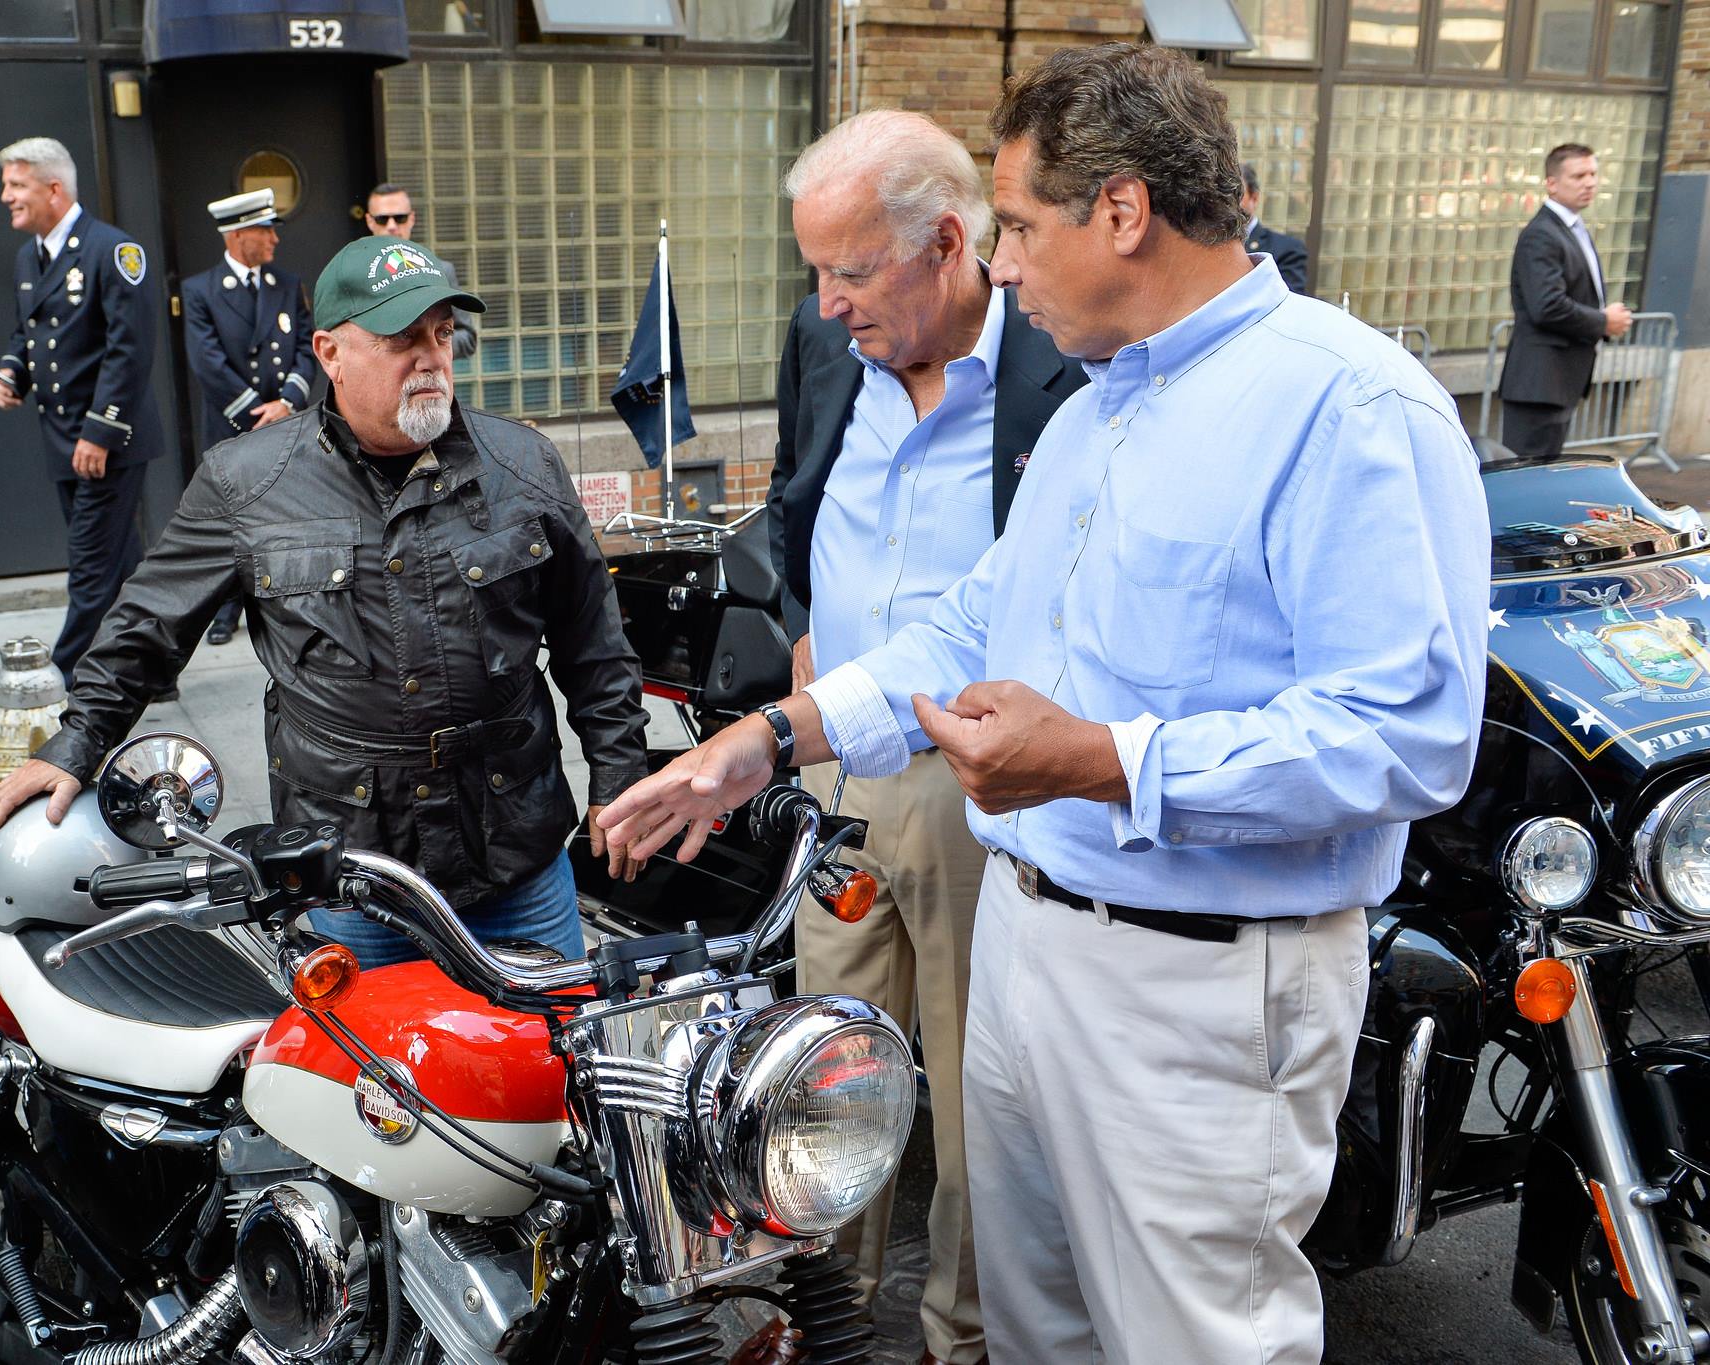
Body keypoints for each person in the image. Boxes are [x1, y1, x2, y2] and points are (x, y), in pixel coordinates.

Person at [599, 44, 1489, 1364]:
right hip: (1031, 943)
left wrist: (1099, 760)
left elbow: (1407, 733)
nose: (999, 266)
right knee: (1038, 1332)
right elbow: (975, 622)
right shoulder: (1100, 406)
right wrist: (771, 739)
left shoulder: (1345, 406)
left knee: (1195, 1340)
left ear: (1122, 212)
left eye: (1015, 225)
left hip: (1194, 983)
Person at [0, 235, 647, 965]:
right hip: (349, 876)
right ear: (328, 352)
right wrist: (78, 742)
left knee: (543, 1066)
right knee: (363, 1079)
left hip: (516, 865)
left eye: (443, 333)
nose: (430, 357)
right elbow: (146, 627)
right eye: (400, 337)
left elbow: (594, 643)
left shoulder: (524, 464)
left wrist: (619, 776)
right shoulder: (248, 481)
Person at [756, 108, 1083, 1365]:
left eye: (848, 270)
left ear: (946, 242)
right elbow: (796, 497)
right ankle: (817, 1322)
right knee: (823, 1067)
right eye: (815, 274)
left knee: (970, 1088)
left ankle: (963, 1336)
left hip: (973, 781)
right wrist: (799, 628)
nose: (827, 303)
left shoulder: (1059, 374)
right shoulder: (825, 340)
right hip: (841, 765)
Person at [0, 136, 164, 686]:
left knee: (90, 569)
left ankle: (55, 685)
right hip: (62, 437)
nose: (5, 196)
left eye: (17, 185)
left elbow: (129, 349)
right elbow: (31, 331)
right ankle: (153, 669)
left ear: (54, 189)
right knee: (121, 565)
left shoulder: (112, 250)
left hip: (106, 440)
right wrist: (11, 369)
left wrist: (100, 432)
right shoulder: (29, 255)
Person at [179, 188, 318, 646]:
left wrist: (287, 403)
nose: (275, 240)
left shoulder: (286, 283)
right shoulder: (200, 290)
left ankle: (288, 608)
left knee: (286, 518)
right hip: (234, 424)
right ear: (239, 236)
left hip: (283, 421)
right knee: (232, 521)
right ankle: (226, 610)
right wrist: (253, 413)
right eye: (266, 231)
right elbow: (207, 362)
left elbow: (304, 346)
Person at [1500, 142, 1633, 460]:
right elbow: (1546, 306)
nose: (1590, 182)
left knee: (1541, 475)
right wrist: (1603, 321)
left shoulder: (1571, 228)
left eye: (1593, 174)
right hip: (1540, 383)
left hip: (1558, 382)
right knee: (1527, 476)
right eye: (1578, 176)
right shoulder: (1543, 234)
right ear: (1552, 183)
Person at [365, 183, 477, 360]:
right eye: (382, 219)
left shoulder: (439, 270)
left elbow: (467, 338)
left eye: (400, 218)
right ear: (370, 221)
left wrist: (428, 344)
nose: (392, 226)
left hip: (429, 378)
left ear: (411, 219)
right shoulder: (357, 275)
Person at [1241, 162, 1309, 294]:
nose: (1227, 202)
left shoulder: (1288, 249)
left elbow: (1287, 302)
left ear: (1254, 198)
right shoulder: (1206, 244)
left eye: (1236, 194)